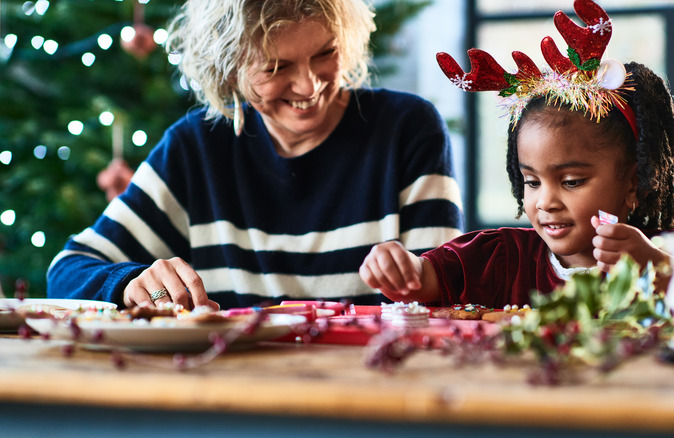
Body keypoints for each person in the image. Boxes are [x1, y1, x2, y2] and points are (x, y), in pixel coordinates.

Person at [359, 0, 674, 322]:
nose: (545, 201)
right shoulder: (500, 257)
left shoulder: (671, 255)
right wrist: (399, 270)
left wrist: (658, 269)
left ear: (634, 182)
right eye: (532, 182)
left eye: (571, 181)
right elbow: (423, 281)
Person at [47, 0, 464, 310]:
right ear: (228, 69)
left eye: (325, 53)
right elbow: (67, 272)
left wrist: (416, 278)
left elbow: (447, 293)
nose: (309, 86)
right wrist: (131, 282)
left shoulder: (407, 129)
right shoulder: (196, 149)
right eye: (276, 67)